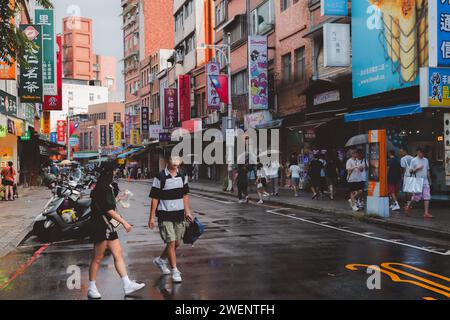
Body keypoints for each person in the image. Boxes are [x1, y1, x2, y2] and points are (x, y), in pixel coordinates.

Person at [88, 161, 145, 299]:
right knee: (98, 257)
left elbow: (108, 204)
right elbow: (107, 209)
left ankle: (127, 284)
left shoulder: (105, 186)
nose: (115, 173)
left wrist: (119, 198)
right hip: (102, 225)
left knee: (118, 254)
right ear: (109, 172)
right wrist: (124, 223)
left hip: (108, 225)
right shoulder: (103, 187)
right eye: (113, 171)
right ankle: (91, 287)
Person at [149, 155, 193, 283]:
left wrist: (187, 211)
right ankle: (175, 270)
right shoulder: (160, 177)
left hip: (179, 214)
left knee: (177, 242)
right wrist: (151, 217)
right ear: (167, 161)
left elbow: (185, 194)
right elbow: (155, 198)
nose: (175, 162)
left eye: (177, 160)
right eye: (173, 159)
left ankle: (161, 260)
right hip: (165, 214)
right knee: (171, 242)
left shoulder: (183, 175)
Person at [405, 147, 433, 218]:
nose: (423, 154)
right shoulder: (413, 160)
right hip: (418, 181)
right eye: (421, 153)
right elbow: (410, 171)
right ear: (418, 152)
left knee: (427, 197)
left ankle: (426, 213)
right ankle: (408, 205)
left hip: (425, 181)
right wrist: (417, 168)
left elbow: (427, 171)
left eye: (424, 153)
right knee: (417, 198)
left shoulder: (426, 160)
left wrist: (430, 180)